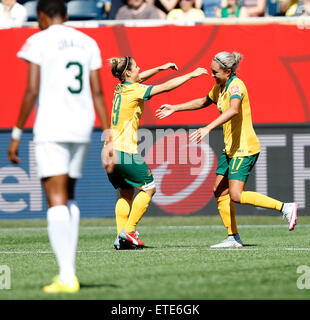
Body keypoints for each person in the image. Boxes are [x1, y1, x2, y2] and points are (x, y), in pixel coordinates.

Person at [7, 0, 116, 293]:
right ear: (66, 15)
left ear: (41, 16)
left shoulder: (38, 40)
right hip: (82, 126)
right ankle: (68, 272)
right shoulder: (87, 42)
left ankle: (67, 275)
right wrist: (109, 135)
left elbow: (31, 90)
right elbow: (98, 91)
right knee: (69, 195)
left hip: (52, 127)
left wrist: (17, 132)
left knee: (55, 199)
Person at [156, 51, 298, 248]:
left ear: (228, 71)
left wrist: (207, 127)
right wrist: (175, 107)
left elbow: (234, 110)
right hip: (231, 148)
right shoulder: (220, 87)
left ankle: (286, 207)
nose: (212, 75)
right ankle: (233, 238)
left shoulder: (236, 86)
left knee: (236, 195)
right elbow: (203, 102)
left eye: (215, 72)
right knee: (219, 191)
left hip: (244, 148)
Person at [107, 56, 207, 250]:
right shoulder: (135, 90)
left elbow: (139, 78)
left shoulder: (120, 88)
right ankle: (128, 231)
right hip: (124, 150)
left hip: (108, 151)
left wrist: (160, 67)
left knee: (125, 193)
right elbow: (167, 87)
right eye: (136, 66)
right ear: (128, 73)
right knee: (149, 188)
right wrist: (192, 75)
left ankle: (121, 238)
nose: (140, 68)